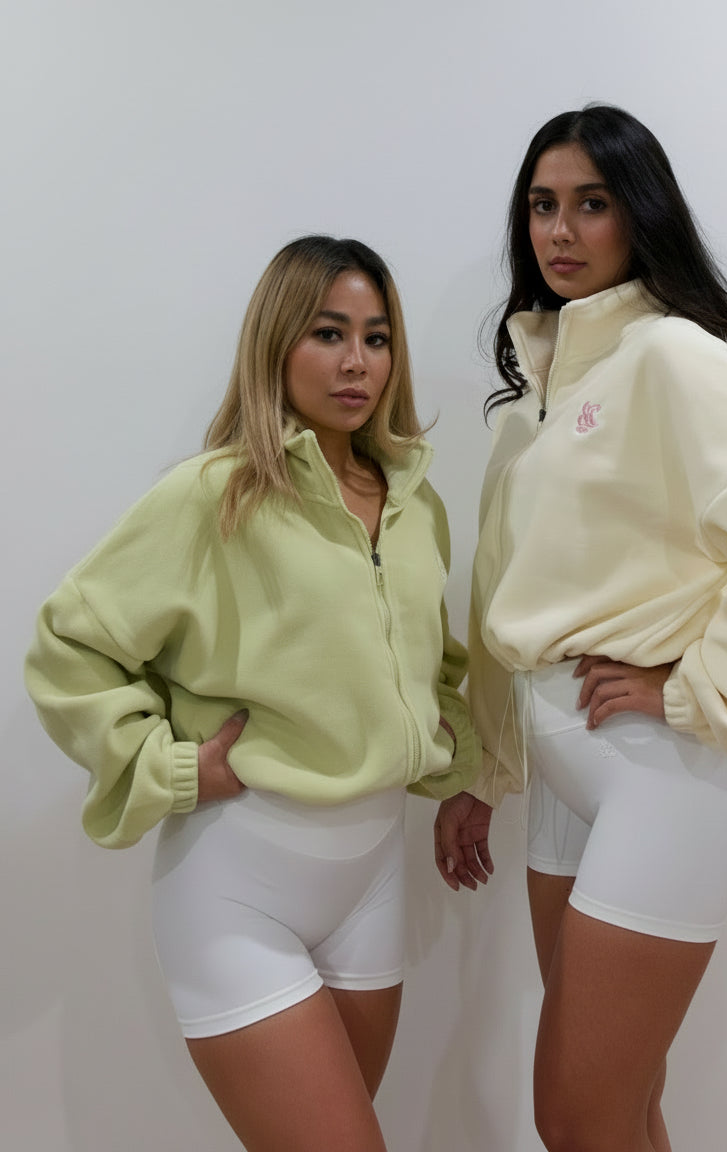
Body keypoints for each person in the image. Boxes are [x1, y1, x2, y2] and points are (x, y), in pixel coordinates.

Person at [433, 105, 727, 1152]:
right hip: (558, 783)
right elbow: (502, 602)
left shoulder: (670, 355)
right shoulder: (529, 400)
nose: (561, 231)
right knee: (617, 1111)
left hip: (660, 772)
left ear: (640, 217)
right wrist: (479, 773)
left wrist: (692, 687)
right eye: (542, 206)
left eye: (592, 203)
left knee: (574, 1116)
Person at [25, 235, 480, 1152]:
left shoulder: (412, 502)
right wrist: (168, 765)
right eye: (328, 333)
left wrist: (457, 768)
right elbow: (69, 645)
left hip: (372, 877)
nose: (358, 362)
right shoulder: (215, 494)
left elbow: (430, 664)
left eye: (378, 337)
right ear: (277, 343)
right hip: (239, 883)